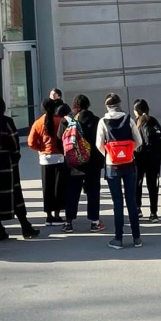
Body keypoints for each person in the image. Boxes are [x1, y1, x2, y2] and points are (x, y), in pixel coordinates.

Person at [0, 96, 40, 240]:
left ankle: (0, 229)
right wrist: (14, 158)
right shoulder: (6, 122)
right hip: (6, 165)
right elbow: (15, 144)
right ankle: (25, 226)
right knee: (15, 195)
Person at [95, 93, 143, 249]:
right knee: (131, 201)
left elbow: (99, 144)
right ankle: (137, 238)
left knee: (117, 202)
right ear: (120, 104)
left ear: (107, 106)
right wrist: (128, 152)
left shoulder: (103, 121)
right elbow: (139, 140)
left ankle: (118, 239)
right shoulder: (128, 119)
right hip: (129, 165)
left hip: (112, 166)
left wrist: (110, 155)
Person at [60, 94, 104, 234]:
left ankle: (68, 222)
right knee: (93, 192)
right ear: (88, 105)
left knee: (72, 191)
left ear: (75, 107)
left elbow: (59, 138)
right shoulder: (97, 121)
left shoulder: (68, 121)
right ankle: (94, 222)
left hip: (75, 163)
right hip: (93, 163)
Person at [27, 97, 67, 224]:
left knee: (47, 188)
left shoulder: (38, 123)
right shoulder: (60, 121)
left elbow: (30, 142)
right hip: (59, 157)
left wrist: (40, 148)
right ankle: (57, 215)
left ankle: (48, 216)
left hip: (45, 158)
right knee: (58, 187)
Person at [132, 99, 161, 223]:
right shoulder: (154, 122)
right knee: (153, 186)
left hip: (139, 158)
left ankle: (137, 208)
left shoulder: (136, 123)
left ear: (137, 111)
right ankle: (153, 212)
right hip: (154, 159)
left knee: (137, 184)